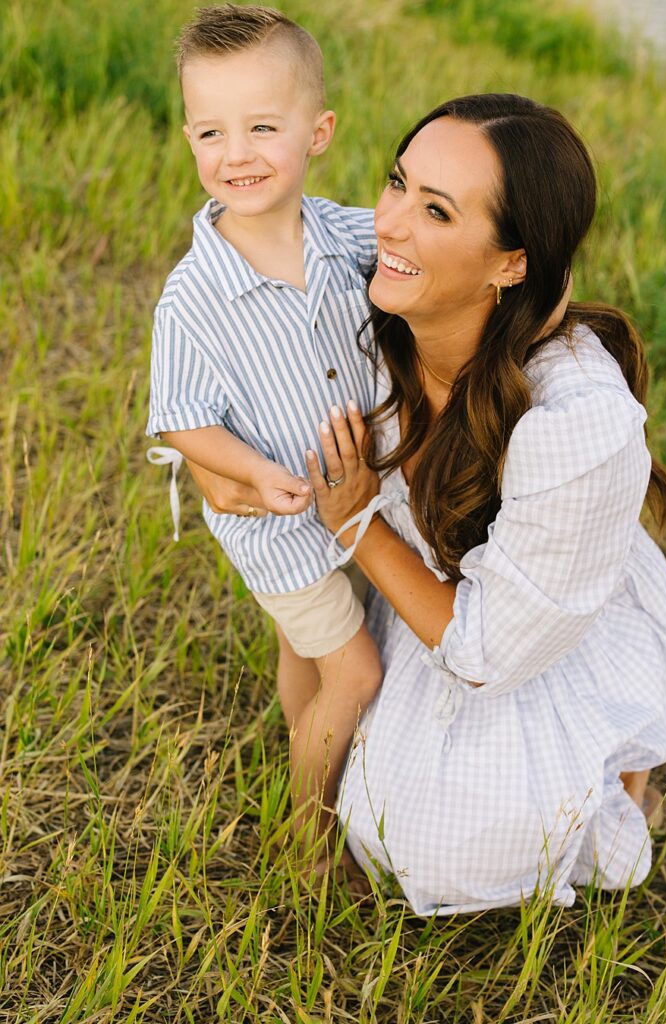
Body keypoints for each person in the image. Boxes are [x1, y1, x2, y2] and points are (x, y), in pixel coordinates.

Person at [297, 93, 666, 914]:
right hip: (432, 591)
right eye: (396, 183)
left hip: (526, 630)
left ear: (512, 262)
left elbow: (485, 654)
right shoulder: (376, 296)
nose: (390, 224)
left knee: (441, 849)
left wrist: (355, 520)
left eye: (435, 210)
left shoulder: (573, 423)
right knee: (379, 813)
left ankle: (615, 772)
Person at [145, 3, 383, 856]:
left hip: (356, 507)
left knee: (308, 652)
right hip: (280, 529)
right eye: (211, 132)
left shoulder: (343, 232)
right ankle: (310, 834)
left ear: (316, 132)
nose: (235, 154)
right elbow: (182, 421)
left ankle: (302, 729)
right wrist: (252, 467)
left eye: (261, 127)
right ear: (188, 139)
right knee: (357, 671)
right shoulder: (195, 296)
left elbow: (411, 251)